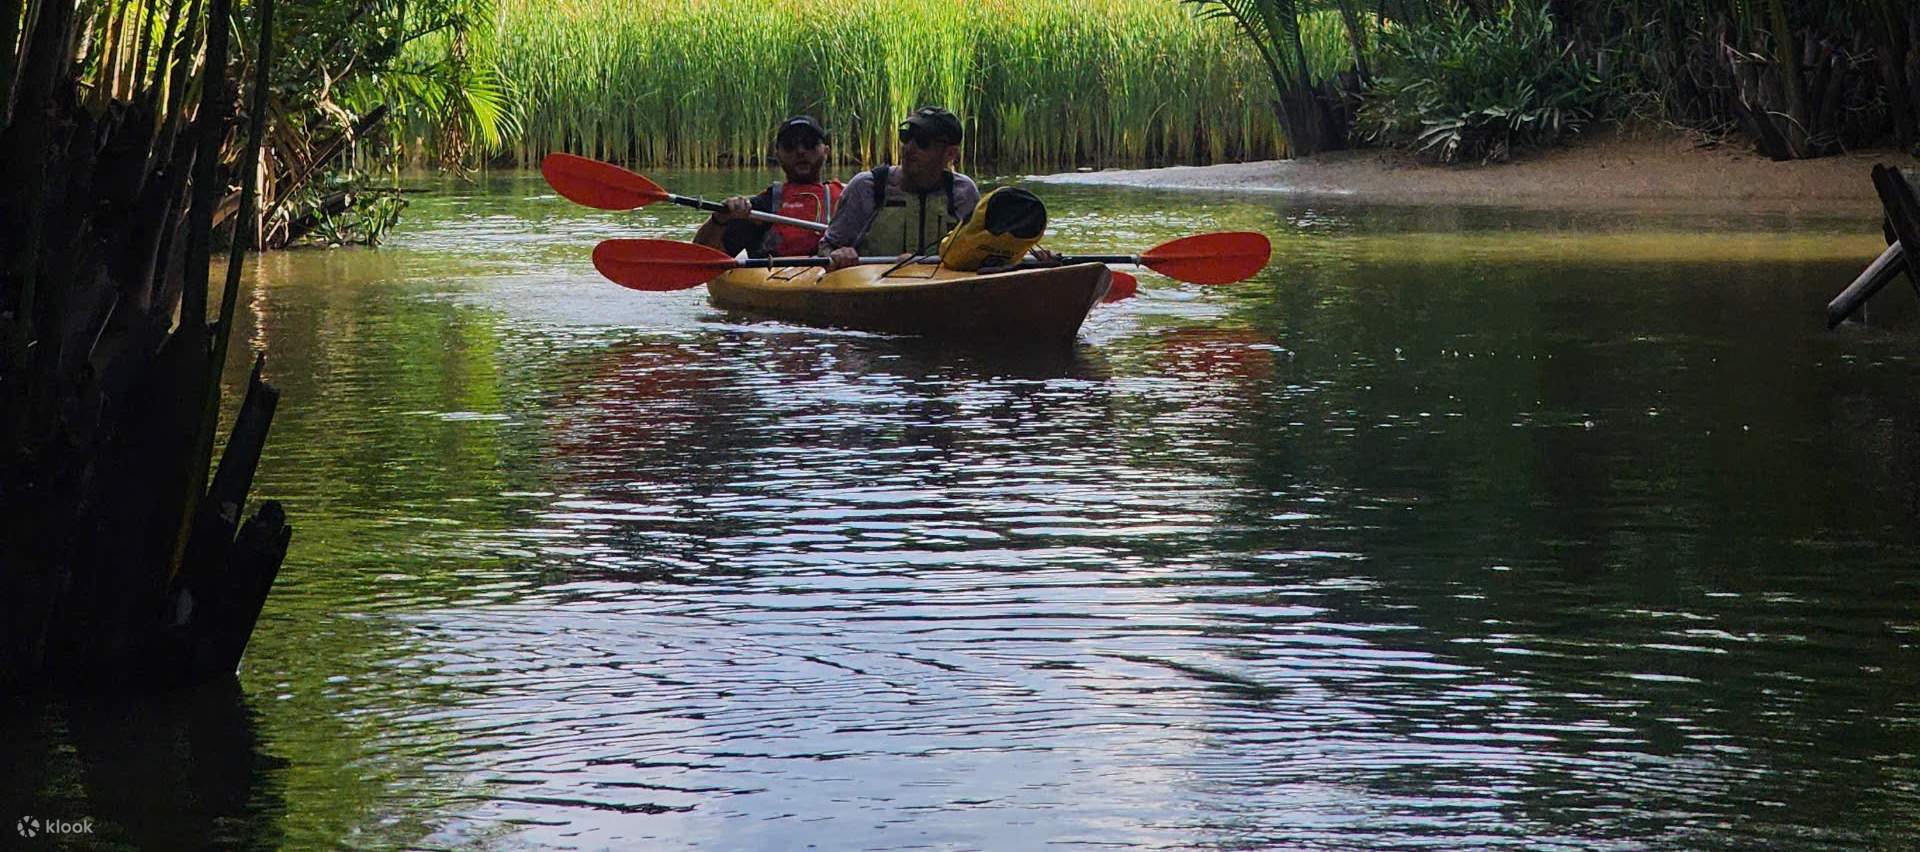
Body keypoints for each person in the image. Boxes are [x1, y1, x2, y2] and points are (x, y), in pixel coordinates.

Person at [819, 107, 981, 270]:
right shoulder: (866, 187)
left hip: (941, 292)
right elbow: (825, 248)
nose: (909, 148)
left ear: (950, 154)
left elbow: (978, 255)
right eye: (906, 137)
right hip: (877, 292)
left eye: (922, 141)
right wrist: (837, 255)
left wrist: (922, 267)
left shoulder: (963, 192)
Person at [694, 115, 843, 258]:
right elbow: (703, 258)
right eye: (789, 145)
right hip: (775, 277)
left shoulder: (849, 198)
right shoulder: (761, 206)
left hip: (841, 276)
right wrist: (719, 219)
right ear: (778, 154)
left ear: (826, 152)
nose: (800, 151)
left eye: (810, 143)